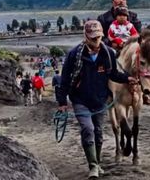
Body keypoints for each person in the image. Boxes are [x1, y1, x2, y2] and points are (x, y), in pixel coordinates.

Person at [56, 20, 137, 179]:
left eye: (99, 37)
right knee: (88, 129)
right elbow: (64, 80)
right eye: (93, 38)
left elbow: (113, 74)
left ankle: (97, 163)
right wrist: (62, 103)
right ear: (85, 36)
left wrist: (128, 79)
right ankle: (93, 166)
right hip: (80, 99)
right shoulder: (74, 55)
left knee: (98, 132)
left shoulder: (108, 53)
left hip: (100, 100)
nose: (96, 40)